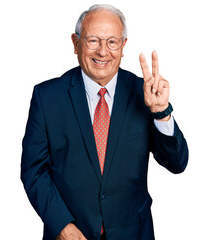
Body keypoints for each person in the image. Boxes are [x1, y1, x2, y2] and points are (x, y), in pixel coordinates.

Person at [21, 4, 188, 240]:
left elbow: (177, 163)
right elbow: (33, 171)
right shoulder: (47, 97)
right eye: (93, 41)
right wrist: (61, 225)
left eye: (112, 42)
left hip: (133, 233)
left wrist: (161, 112)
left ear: (123, 47)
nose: (103, 52)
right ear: (76, 43)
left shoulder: (145, 94)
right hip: (70, 234)